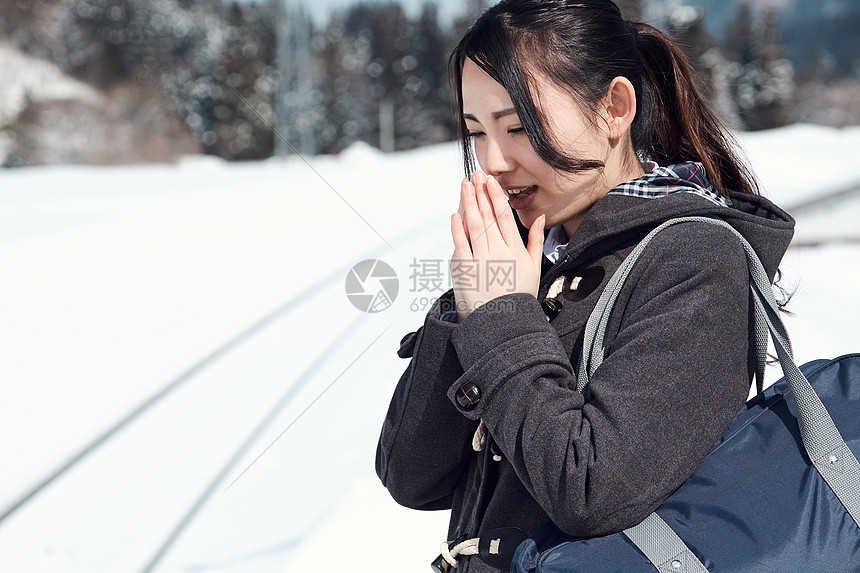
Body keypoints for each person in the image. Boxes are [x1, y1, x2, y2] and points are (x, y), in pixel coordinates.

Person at [375, 1, 795, 571]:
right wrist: (471, 310)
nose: (492, 161)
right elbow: (409, 476)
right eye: (475, 132)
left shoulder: (696, 259)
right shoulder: (531, 252)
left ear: (615, 108)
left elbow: (594, 491)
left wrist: (501, 317)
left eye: (519, 126)